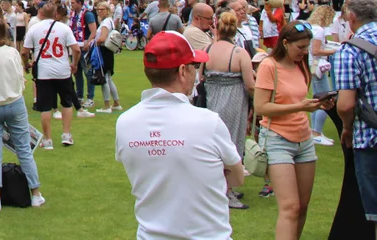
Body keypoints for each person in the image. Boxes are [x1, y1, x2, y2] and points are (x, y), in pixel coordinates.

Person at [116, 31, 244, 239]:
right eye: (194, 66)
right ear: (183, 71)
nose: (196, 72)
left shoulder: (124, 122)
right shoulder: (208, 121)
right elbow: (237, 176)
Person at [255, 22, 335, 239]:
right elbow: (261, 108)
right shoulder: (269, 66)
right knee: (290, 207)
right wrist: (301, 106)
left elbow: (298, 98)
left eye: (307, 47)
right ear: (285, 43)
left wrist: (318, 104)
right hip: (277, 139)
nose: (304, 52)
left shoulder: (301, 65)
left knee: (302, 206)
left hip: (304, 139)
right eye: (300, 47)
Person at [0, 17, 44, 211]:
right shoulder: (11, 53)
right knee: (24, 148)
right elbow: (19, 76)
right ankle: (36, 194)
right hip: (14, 103)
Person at [204, 12, 256, 210]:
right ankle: (227, 192)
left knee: (215, 146)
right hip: (234, 102)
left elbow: (201, 77)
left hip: (211, 102)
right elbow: (250, 85)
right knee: (233, 144)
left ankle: (221, 188)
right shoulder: (240, 53)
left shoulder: (207, 48)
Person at [334, 0, 377, 231]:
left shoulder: (349, 51)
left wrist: (347, 128)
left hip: (371, 137)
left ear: (351, 18)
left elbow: (346, 104)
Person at [23, 2, 81, 150]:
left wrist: (27, 64)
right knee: (66, 103)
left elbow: (24, 51)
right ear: (56, 13)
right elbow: (76, 49)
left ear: (41, 12)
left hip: (44, 72)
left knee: (45, 107)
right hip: (62, 70)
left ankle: (48, 139)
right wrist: (74, 63)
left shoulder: (34, 28)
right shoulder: (64, 28)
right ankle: (66, 134)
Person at [309, 4, 337, 146]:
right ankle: (317, 132)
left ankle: (314, 131)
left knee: (316, 97)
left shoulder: (311, 27)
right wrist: (334, 51)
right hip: (318, 66)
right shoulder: (319, 30)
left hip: (312, 66)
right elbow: (316, 50)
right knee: (326, 98)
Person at [94, 2, 123, 113]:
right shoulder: (110, 21)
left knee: (104, 78)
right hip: (108, 51)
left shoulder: (105, 22)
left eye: (102, 9)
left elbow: (102, 38)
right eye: (98, 9)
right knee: (109, 78)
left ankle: (107, 105)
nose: (99, 11)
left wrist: (94, 42)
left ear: (107, 10)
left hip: (103, 50)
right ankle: (116, 102)